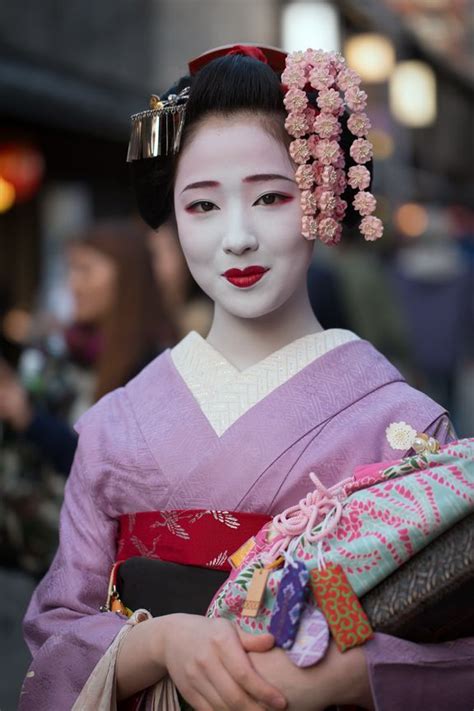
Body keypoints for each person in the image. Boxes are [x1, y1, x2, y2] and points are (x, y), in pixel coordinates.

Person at [20, 46, 472, 711]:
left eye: (269, 197)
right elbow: (55, 633)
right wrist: (156, 644)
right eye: (202, 206)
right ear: (171, 215)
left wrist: (354, 671)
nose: (237, 237)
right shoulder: (116, 422)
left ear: (321, 196)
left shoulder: (399, 424)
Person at [0, 218, 175, 476]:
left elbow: (118, 474)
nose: (73, 284)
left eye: (85, 270)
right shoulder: (55, 351)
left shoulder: (155, 367)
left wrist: (26, 416)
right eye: (70, 270)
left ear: (127, 277)